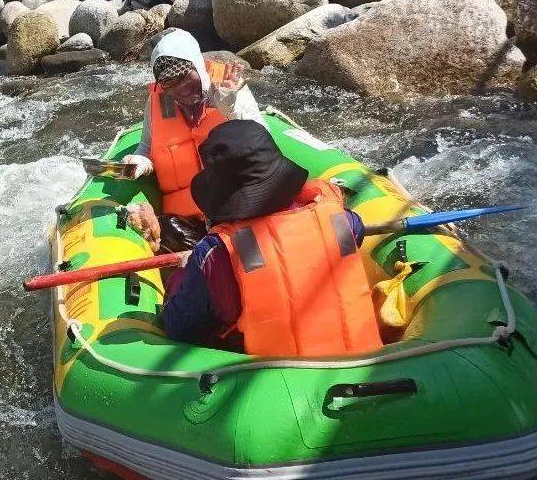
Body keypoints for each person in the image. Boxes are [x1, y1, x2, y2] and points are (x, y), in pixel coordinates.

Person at [161, 120, 382, 357]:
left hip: (283, 383)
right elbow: (355, 228)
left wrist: (184, 272)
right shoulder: (342, 222)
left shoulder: (218, 254)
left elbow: (179, 327)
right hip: (364, 364)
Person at [122, 30, 264, 249]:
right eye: (170, 84)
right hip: (186, 221)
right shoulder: (157, 102)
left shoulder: (229, 85)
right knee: (166, 227)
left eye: (185, 77)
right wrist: (141, 162)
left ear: (198, 64)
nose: (181, 90)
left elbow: (264, 146)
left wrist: (232, 109)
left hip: (235, 210)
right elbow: (146, 146)